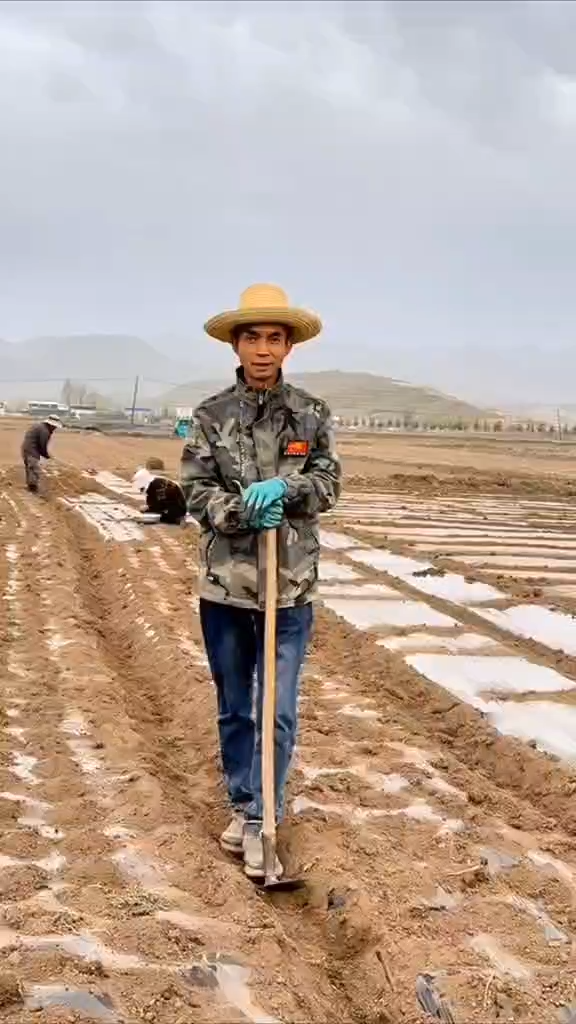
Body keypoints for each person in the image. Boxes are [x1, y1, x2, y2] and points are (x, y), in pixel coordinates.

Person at [180, 283, 341, 880]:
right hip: (226, 587)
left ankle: (263, 815)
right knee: (235, 707)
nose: (264, 348)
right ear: (237, 345)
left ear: (289, 346)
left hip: (290, 587)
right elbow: (196, 492)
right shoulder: (210, 416)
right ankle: (243, 802)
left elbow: (328, 483)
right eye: (253, 338)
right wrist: (245, 509)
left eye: (275, 338)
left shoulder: (311, 414)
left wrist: (288, 488)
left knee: (277, 708)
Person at [133, 458, 187, 524]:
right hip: (177, 509)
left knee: (144, 515)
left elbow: (161, 502)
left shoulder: (155, 482)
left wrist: (149, 508)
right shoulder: (162, 479)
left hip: (172, 512)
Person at [21, 414, 63, 493]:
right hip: (31, 451)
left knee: (30, 469)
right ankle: (33, 489)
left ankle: (30, 487)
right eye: (54, 427)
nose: (55, 428)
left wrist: (46, 455)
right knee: (34, 469)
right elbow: (42, 446)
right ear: (51, 425)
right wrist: (47, 456)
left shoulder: (39, 426)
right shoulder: (44, 431)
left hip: (26, 449)